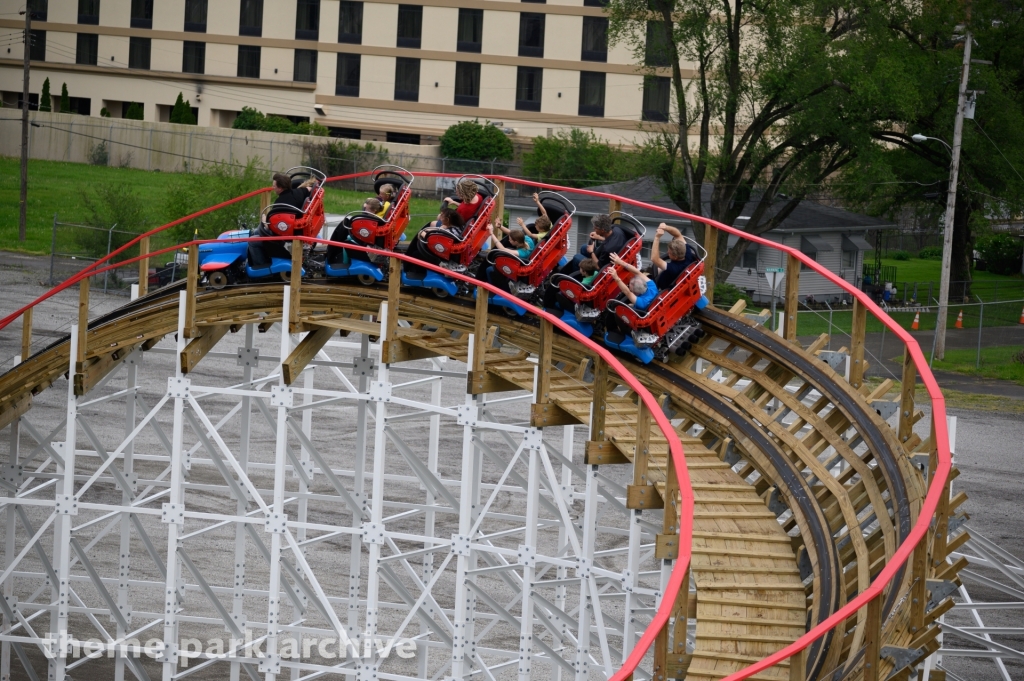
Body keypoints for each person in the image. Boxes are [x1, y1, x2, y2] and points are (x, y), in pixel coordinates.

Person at [251, 172, 318, 268]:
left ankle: (261, 267)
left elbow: (269, 225)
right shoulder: (299, 192)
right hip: (297, 228)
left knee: (252, 242)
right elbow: (309, 189)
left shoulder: (280, 204)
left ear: (280, 187)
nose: (273, 188)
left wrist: (263, 218)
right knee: (256, 232)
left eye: (274, 186)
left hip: (286, 235)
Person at [604, 252, 659, 336]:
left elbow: (627, 292)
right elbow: (637, 272)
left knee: (617, 309)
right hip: (650, 307)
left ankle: (624, 333)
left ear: (635, 293)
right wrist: (619, 261)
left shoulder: (641, 303)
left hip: (640, 317)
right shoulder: (652, 286)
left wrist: (616, 277)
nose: (628, 286)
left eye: (630, 286)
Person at [403, 207, 465, 278]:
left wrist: (422, 233)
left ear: (447, 220)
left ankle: (419, 275)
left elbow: (433, 240)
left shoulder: (448, 233)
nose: (439, 217)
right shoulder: (457, 227)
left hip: (443, 256)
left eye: (441, 216)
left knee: (416, 254)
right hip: (447, 253)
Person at [479, 226, 535, 293]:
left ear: (516, 242)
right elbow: (510, 232)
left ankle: (494, 291)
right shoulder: (527, 239)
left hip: (518, 269)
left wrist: (491, 234)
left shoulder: (522, 252)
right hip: (520, 264)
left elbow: (503, 249)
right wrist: (500, 226)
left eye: (510, 240)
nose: (509, 241)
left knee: (489, 269)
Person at [650, 223, 698, 289]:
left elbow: (654, 259)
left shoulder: (674, 268)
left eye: (669, 253)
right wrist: (665, 227)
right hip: (671, 276)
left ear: (675, 257)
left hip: (663, 287)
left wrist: (657, 238)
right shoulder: (687, 253)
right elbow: (678, 234)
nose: (667, 252)